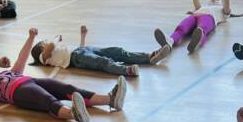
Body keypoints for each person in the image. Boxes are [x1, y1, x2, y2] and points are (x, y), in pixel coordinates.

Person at [0, 28, 125, 122]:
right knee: (47, 100)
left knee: (68, 89)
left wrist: (31, 37)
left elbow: (21, 59)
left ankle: (110, 100)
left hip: (30, 81)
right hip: (18, 93)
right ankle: (74, 114)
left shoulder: (7, 74)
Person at [30, 23, 171, 77]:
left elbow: (80, 48)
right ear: (40, 48)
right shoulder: (44, 58)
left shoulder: (55, 50)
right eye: (43, 42)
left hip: (82, 51)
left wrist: (83, 36)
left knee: (116, 51)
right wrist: (55, 38)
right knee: (103, 62)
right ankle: (127, 70)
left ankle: (149, 57)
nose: (46, 42)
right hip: (76, 58)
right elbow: (51, 45)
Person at [155, 0, 236, 55]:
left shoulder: (223, 11)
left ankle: (197, 41)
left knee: (201, 29)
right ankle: (170, 42)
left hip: (209, 17)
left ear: (222, 3)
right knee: (181, 28)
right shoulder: (200, 7)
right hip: (194, 16)